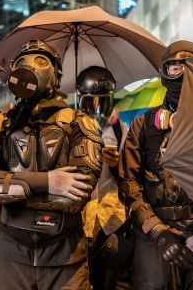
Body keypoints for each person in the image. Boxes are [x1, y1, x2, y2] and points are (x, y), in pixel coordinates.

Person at [0, 39, 103, 289]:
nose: (29, 67)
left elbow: (75, 197)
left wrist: (7, 194)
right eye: (21, 62)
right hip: (12, 256)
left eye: (41, 61)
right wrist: (50, 181)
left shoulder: (80, 124)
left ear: (55, 74)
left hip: (65, 258)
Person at [123, 40, 193, 290]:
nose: (183, 72)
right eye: (175, 67)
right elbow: (129, 184)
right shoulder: (143, 125)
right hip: (155, 232)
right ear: (164, 74)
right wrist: (159, 233)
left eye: (191, 66)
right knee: (152, 283)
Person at [76, 66, 134, 290]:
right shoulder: (70, 128)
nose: (97, 108)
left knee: (109, 280)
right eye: (91, 102)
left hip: (111, 218)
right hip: (79, 217)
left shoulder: (120, 129)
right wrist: (92, 157)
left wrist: (117, 164)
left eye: (103, 101)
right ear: (81, 100)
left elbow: (130, 174)